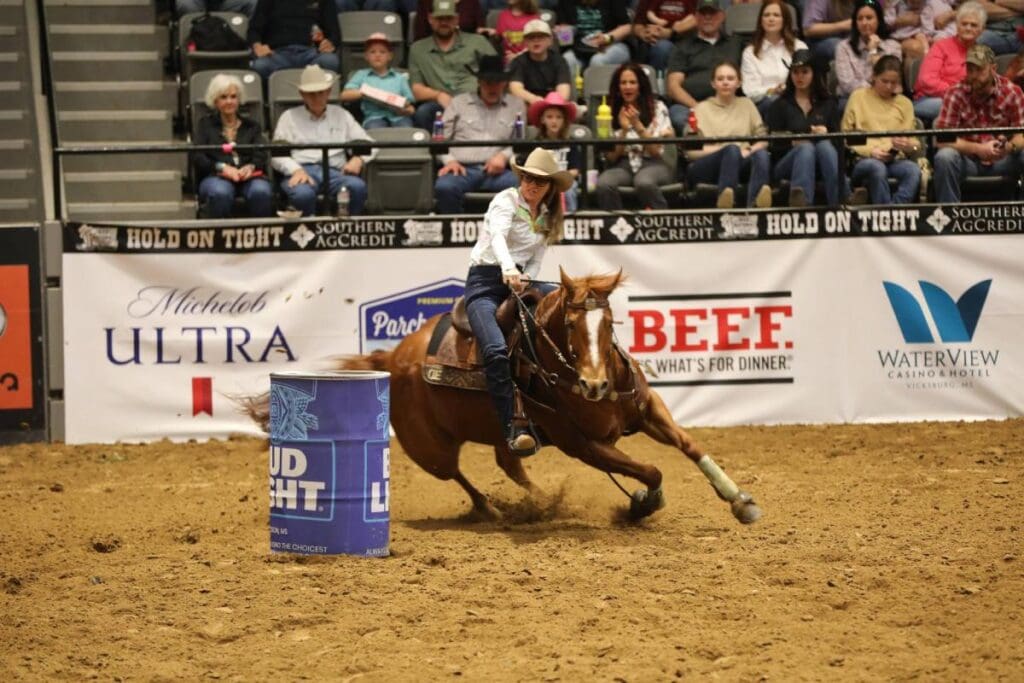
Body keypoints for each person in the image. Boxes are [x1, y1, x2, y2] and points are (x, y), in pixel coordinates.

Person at [464, 147, 571, 456]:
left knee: (565, 309)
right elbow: (497, 235)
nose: (531, 186)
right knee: (496, 351)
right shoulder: (505, 200)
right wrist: (509, 268)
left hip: (520, 283)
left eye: (539, 181)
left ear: (550, 187)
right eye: (527, 178)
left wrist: (526, 277)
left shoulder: (547, 216)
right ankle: (512, 426)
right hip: (485, 283)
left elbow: (537, 257)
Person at [271, 65, 375, 216]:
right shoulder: (288, 117)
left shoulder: (341, 114)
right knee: (302, 194)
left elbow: (370, 143)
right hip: (302, 170)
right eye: (311, 93)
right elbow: (277, 155)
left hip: (335, 172)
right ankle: (308, 236)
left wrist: (358, 159)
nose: (316, 97)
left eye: (320, 92)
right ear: (302, 94)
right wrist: (295, 169)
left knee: (357, 187)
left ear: (328, 92)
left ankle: (348, 230)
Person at [434, 55, 527, 213]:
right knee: (445, 187)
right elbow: (438, 140)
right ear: (479, 82)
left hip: (499, 172)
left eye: (497, 83)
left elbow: (519, 142)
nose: (493, 88)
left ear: (504, 83)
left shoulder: (516, 105)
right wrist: (449, 161)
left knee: (522, 187)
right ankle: (455, 233)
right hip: (462, 169)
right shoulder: (458, 103)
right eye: (488, 82)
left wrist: (504, 157)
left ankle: (508, 235)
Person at [932, 44, 1024, 202]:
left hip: (1003, 160)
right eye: (970, 70)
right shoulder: (955, 93)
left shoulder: (1012, 92)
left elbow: (1021, 135)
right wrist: (978, 149)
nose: (973, 75)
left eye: (980, 70)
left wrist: (1008, 147)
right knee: (945, 157)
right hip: (968, 162)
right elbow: (942, 139)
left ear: (993, 68)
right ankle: (949, 218)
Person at [686, 61, 773, 209]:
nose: (725, 82)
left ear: (739, 83)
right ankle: (726, 200)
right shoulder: (700, 108)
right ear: (713, 84)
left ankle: (756, 205)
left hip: (741, 160)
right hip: (707, 165)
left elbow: (763, 139)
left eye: (730, 78)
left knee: (761, 154)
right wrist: (728, 152)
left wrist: (747, 151)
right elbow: (691, 152)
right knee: (731, 149)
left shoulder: (747, 104)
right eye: (720, 79)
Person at [766, 50, 846, 206]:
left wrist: (827, 134)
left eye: (805, 72)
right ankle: (803, 203)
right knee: (806, 148)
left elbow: (839, 145)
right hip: (787, 162)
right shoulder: (780, 105)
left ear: (814, 74)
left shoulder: (828, 104)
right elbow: (773, 145)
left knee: (824, 144)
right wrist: (793, 143)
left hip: (823, 160)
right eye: (795, 72)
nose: (799, 77)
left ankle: (840, 203)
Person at [841, 55, 923, 204]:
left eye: (894, 83)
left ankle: (893, 211)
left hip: (895, 160)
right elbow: (845, 136)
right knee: (877, 167)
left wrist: (910, 145)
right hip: (864, 159)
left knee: (913, 171)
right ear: (874, 77)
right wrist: (870, 151)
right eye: (884, 81)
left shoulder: (905, 104)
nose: (889, 87)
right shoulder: (858, 97)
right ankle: (884, 214)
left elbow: (915, 142)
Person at [595, 63, 675, 210]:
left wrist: (637, 126)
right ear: (618, 87)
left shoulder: (658, 108)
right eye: (623, 83)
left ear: (641, 86)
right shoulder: (607, 112)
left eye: (632, 82)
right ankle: (617, 226)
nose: (627, 87)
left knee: (644, 182)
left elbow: (656, 152)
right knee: (604, 183)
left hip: (654, 163)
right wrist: (624, 130)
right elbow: (611, 158)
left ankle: (662, 222)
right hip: (623, 165)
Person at [409, 0, 498, 130]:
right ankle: (437, 149)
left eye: (449, 18)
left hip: (475, 100)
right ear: (430, 19)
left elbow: (497, 75)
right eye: (439, 18)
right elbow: (416, 89)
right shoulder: (418, 49)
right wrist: (439, 95)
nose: (444, 22)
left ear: (457, 19)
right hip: (438, 105)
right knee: (423, 112)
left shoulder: (477, 42)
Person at [192, 73, 273, 218]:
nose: (229, 101)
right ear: (215, 100)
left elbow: (261, 154)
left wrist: (251, 167)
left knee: (261, 191)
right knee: (220, 193)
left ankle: (260, 236)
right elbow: (198, 156)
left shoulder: (252, 126)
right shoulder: (205, 125)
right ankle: (219, 237)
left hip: (249, 177)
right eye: (223, 97)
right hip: (216, 176)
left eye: (233, 96)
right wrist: (222, 167)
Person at [665, 0, 744, 134]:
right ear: (696, 17)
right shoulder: (683, 46)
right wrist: (699, 107)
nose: (707, 17)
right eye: (703, 13)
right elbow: (673, 87)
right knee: (678, 115)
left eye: (712, 13)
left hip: (730, 104)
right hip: (691, 106)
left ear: (722, 16)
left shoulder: (736, 43)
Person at [914, 2, 987, 121]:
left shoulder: (982, 53)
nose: (968, 28)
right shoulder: (941, 46)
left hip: (968, 101)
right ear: (957, 26)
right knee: (958, 106)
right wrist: (958, 93)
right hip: (930, 99)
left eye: (973, 25)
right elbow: (926, 81)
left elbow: (986, 83)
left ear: (982, 30)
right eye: (964, 24)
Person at [741, 0, 808, 115]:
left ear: (785, 20)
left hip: (796, 98)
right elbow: (750, 91)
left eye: (776, 15)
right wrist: (772, 91)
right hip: (765, 103)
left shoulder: (799, 47)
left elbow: (808, 79)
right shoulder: (750, 52)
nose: (771, 19)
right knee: (774, 101)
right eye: (766, 15)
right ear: (761, 20)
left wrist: (788, 90)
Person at [247, 0, 340, 81]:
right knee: (260, 66)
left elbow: (334, 32)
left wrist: (330, 43)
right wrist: (257, 46)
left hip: (312, 53)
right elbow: (254, 29)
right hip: (276, 54)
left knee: (330, 61)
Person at [341, 33, 416, 129]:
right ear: (366, 56)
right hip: (373, 117)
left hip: (399, 117)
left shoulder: (400, 78)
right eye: (372, 52)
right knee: (375, 128)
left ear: (390, 56)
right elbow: (344, 95)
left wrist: (406, 109)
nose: (377, 55)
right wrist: (366, 92)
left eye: (382, 52)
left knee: (406, 128)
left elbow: (409, 103)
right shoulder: (361, 75)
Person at [835, 0, 902, 99]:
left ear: (878, 20)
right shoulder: (844, 47)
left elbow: (891, 82)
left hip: (885, 98)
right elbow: (847, 85)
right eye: (860, 19)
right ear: (855, 22)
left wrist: (873, 52)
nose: (864, 22)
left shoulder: (893, 47)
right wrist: (876, 90)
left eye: (869, 18)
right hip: (853, 99)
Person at [528, 91, 582, 211]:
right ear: (542, 120)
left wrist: (560, 179)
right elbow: (533, 170)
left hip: (566, 181)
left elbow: (575, 170)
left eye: (558, 117)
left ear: (564, 121)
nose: (554, 121)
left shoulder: (571, 143)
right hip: (543, 181)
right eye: (550, 117)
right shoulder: (537, 145)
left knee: (569, 191)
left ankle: (569, 221)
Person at [557, 0, 633, 77]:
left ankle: (598, 89)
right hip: (579, 47)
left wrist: (607, 38)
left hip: (612, 43)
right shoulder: (566, 2)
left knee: (597, 60)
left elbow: (627, 27)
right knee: (567, 59)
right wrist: (563, 35)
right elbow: (564, 35)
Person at [508, 19, 572, 105]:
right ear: (525, 42)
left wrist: (548, 105)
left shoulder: (559, 61)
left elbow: (564, 93)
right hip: (527, 104)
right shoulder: (518, 62)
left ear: (550, 40)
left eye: (541, 37)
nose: (536, 40)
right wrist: (535, 100)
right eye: (531, 38)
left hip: (554, 106)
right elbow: (515, 89)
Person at [631, 0, 697, 72]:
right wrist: (645, 33)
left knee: (662, 48)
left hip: (682, 38)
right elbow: (637, 24)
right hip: (653, 38)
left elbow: (696, 18)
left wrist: (671, 32)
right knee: (659, 47)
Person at [494, 0, 542, 65]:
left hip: (530, 62)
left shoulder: (534, 18)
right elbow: (499, 37)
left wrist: (518, 56)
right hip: (509, 63)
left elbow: (538, 44)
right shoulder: (503, 15)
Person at [413, 0, 486, 41]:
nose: (444, 21)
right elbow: (420, 35)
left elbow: (480, 29)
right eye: (440, 18)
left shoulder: (471, 2)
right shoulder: (425, 2)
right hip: (433, 52)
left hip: (466, 51)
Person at [176, 0, 256, 17]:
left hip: (225, 3)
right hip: (198, 6)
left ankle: (250, 46)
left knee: (252, 2)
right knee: (183, 3)